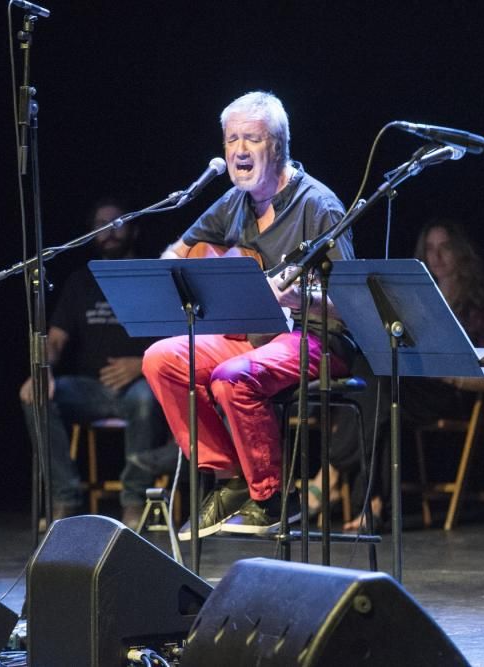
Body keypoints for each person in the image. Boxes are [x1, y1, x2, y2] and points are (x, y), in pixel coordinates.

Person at [142, 91, 355, 538]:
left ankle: (273, 495)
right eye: (231, 139)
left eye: (251, 139)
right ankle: (229, 478)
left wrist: (298, 299)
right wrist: (189, 280)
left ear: (277, 146)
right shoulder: (233, 202)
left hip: (315, 338)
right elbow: (175, 253)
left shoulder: (319, 205)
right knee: (161, 359)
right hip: (248, 335)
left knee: (233, 376)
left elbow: (350, 301)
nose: (238, 150)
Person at [342, 219, 484, 532]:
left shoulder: (479, 301)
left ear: (461, 252)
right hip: (411, 387)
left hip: (454, 391)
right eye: (430, 249)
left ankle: (338, 476)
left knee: (384, 389)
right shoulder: (417, 296)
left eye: (445, 248)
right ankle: (372, 501)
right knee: (377, 380)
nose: (437, 257)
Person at [20, 198, 167, 529]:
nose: (109, 232)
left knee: (144, 399)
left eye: (117, 223)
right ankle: (65, 498)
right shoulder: (80, 281)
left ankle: (134, 502)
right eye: (101, 225)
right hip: (92, 388)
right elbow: (55, 340)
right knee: (36, 395)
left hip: (141, 384)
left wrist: (141, 364)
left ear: (134, 229)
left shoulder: (150, 274)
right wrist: (43, 372)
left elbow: (177, 339)